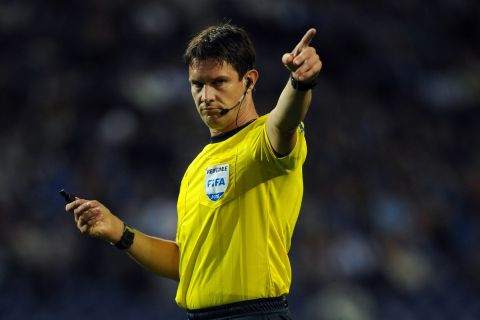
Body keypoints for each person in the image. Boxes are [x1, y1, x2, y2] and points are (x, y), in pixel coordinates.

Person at [66, 23, 322, 319]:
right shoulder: (196, 167)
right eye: (197, 84)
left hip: (253, 315)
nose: (206, 96)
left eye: (219, 82)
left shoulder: (263, 141)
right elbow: (185, 263)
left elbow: (285, 120)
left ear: (249, 81)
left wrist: (300, 83)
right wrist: (119, 232)